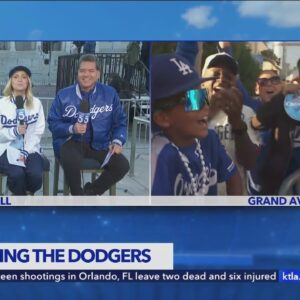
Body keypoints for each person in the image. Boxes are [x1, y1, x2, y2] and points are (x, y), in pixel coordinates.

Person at [151, 53, 242, 196]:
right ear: (163, 118)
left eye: (202, 95)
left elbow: (234, 176)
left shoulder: (209, 139)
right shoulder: (160, 158)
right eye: (193, 99)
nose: (206, 107)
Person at [48, 54, 129, 195]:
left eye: (91, 71)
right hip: (71, 142)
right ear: (78, 73)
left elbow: (120, 122)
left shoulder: (110, 94)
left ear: (98, 74)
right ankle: (78, 197)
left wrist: (117, 141)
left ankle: (90, 192)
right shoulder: (63, 94)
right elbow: (53, 122)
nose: (86, 74)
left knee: (122, 165)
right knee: (69, 156)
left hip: (100, 143)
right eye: (82, 71)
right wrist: (71, 128)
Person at [0, 66, 45, 195]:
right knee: (17, 175)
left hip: (30, 148)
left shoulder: (36, 103)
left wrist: (26, 150)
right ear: (10, 81)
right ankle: (19, 200)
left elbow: (38, 131)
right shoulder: (2, 104)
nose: (20, 80)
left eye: (24, 77)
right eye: (16, 77)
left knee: (36, 175)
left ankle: (24, 192)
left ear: (28, 82)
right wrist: (14, 131)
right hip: (6, 149)